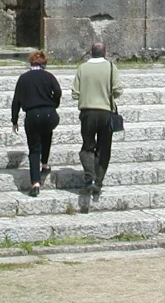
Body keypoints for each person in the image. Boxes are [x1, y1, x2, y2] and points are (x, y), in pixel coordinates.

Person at [71, 42, 124, 195]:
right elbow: (117, 90)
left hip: (87, 112)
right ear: (105, 53)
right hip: (105, 112)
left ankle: (90, 177)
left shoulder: (82, 68)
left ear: (90, 52)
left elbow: (75, 93)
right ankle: (99, 181)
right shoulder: (111, 67)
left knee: (87, 146)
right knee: (104, 148)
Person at [11, 50, 62, 197]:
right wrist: (54, 104)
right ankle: (45, 164)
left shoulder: (23, 78)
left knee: (34, 150)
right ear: (44, 63)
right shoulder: (49, 76)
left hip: (32, 114)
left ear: (30, 63)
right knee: (47, 134)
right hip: (49, 113)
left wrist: (14, 120)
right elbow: (58, 91)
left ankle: (35, 183)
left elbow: (16, 101)